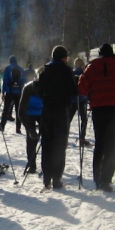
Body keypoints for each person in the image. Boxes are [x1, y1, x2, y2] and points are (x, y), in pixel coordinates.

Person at [77, 43, 115, 191]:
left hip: (98, 109)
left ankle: (97, 177)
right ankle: (106, 179)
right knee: (111, 145)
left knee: (100, 143)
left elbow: (82, 89)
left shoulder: (91, 67)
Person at [36, 45, 78, 189]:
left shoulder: (44, 71)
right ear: (63, 57)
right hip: (61, 110)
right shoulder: (66, 71)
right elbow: (73, 92)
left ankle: (46, 177)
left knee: (47, 143)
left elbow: (39, 91)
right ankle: (56, 178)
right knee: (59, 145)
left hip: (46, 110)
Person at [18, 69, 41, 174]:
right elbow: (21, 113)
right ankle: (32, 165)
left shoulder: (49, 88)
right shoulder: (28, 88)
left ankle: (47, 166)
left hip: (43, 113)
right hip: (29, 113)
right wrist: (30, 129)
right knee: (31, 139)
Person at [0, 55, 24, 132]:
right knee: (18, 110)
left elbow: (5, 81)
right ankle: (18, 128)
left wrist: (3, 92)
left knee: (6, 110)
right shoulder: (21, 69)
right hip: (18, 92)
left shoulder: (8, 68)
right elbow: (23, 81)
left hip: (9, 92)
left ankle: (2, 126)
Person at [73, 57, 91, 146]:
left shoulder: (72, 72)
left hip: (72, 100)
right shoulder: (84, 73)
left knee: (68, 119)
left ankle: (63, 138)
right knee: (84, 119)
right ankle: (81, 138)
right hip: (82, 99)